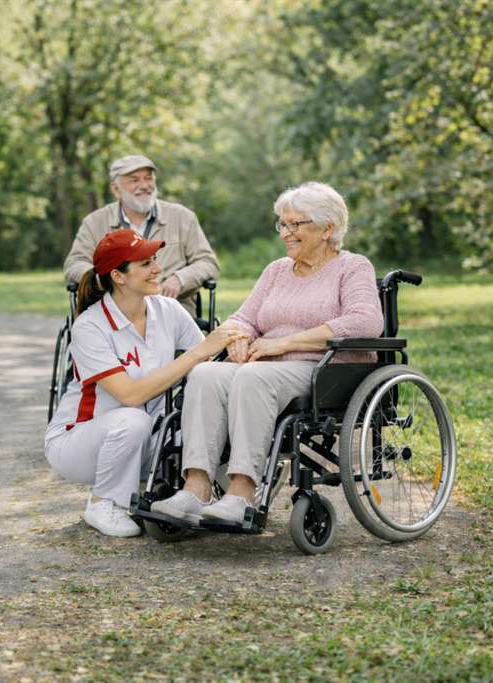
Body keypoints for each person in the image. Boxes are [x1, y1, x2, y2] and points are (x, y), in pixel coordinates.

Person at [153, 181, 384, 525]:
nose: (286, 233)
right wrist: (238, 338)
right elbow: (243, 317)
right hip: (266, 365)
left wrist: (285, 343)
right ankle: (195, 487)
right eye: (283, 224)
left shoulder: (352, 267)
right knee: (204, 373)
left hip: (323, 370)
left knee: (252, 376)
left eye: (296, 224)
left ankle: (242, 493)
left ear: (327, 229)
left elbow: (366, 321)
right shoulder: (276, 270)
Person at [45, 229, 244, 537]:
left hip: (146, 434)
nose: (157, 269)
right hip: (78, 442)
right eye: (145, 263)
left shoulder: (169, 310)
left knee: (201, 420)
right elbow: (131, 394)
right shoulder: (90, 327)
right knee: (132, 419)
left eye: (155, 259)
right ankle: (102, 503)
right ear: (118, 276)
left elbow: (206, 366)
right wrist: (201, 350)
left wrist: (238, 345)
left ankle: (233, 494)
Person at [63, 155, 220, 318]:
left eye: (148, 178)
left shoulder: (182, 217)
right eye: (134, 180)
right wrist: (104, 281)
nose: (144, 185)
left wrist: (180, 279)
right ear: (116, 189)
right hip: (112, 312)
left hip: (172, 311)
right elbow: (74, 263)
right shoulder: (94, 222)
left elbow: (208, 263)